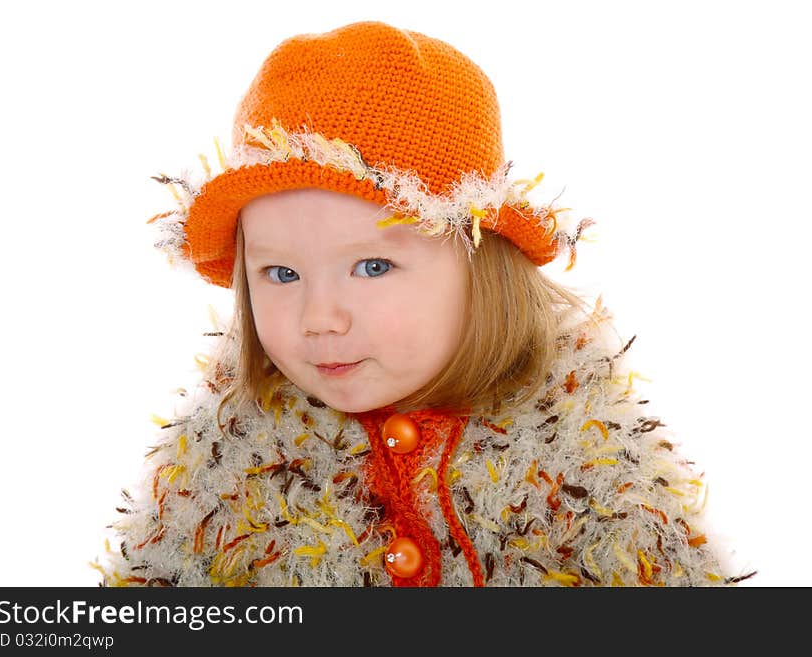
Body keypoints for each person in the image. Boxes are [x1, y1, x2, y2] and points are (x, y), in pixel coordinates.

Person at [94, 20, 754, 587]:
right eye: (282, 272)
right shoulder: (228, 464)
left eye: (373, 265)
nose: (319, 316)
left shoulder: (583, 451)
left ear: (482, 267)